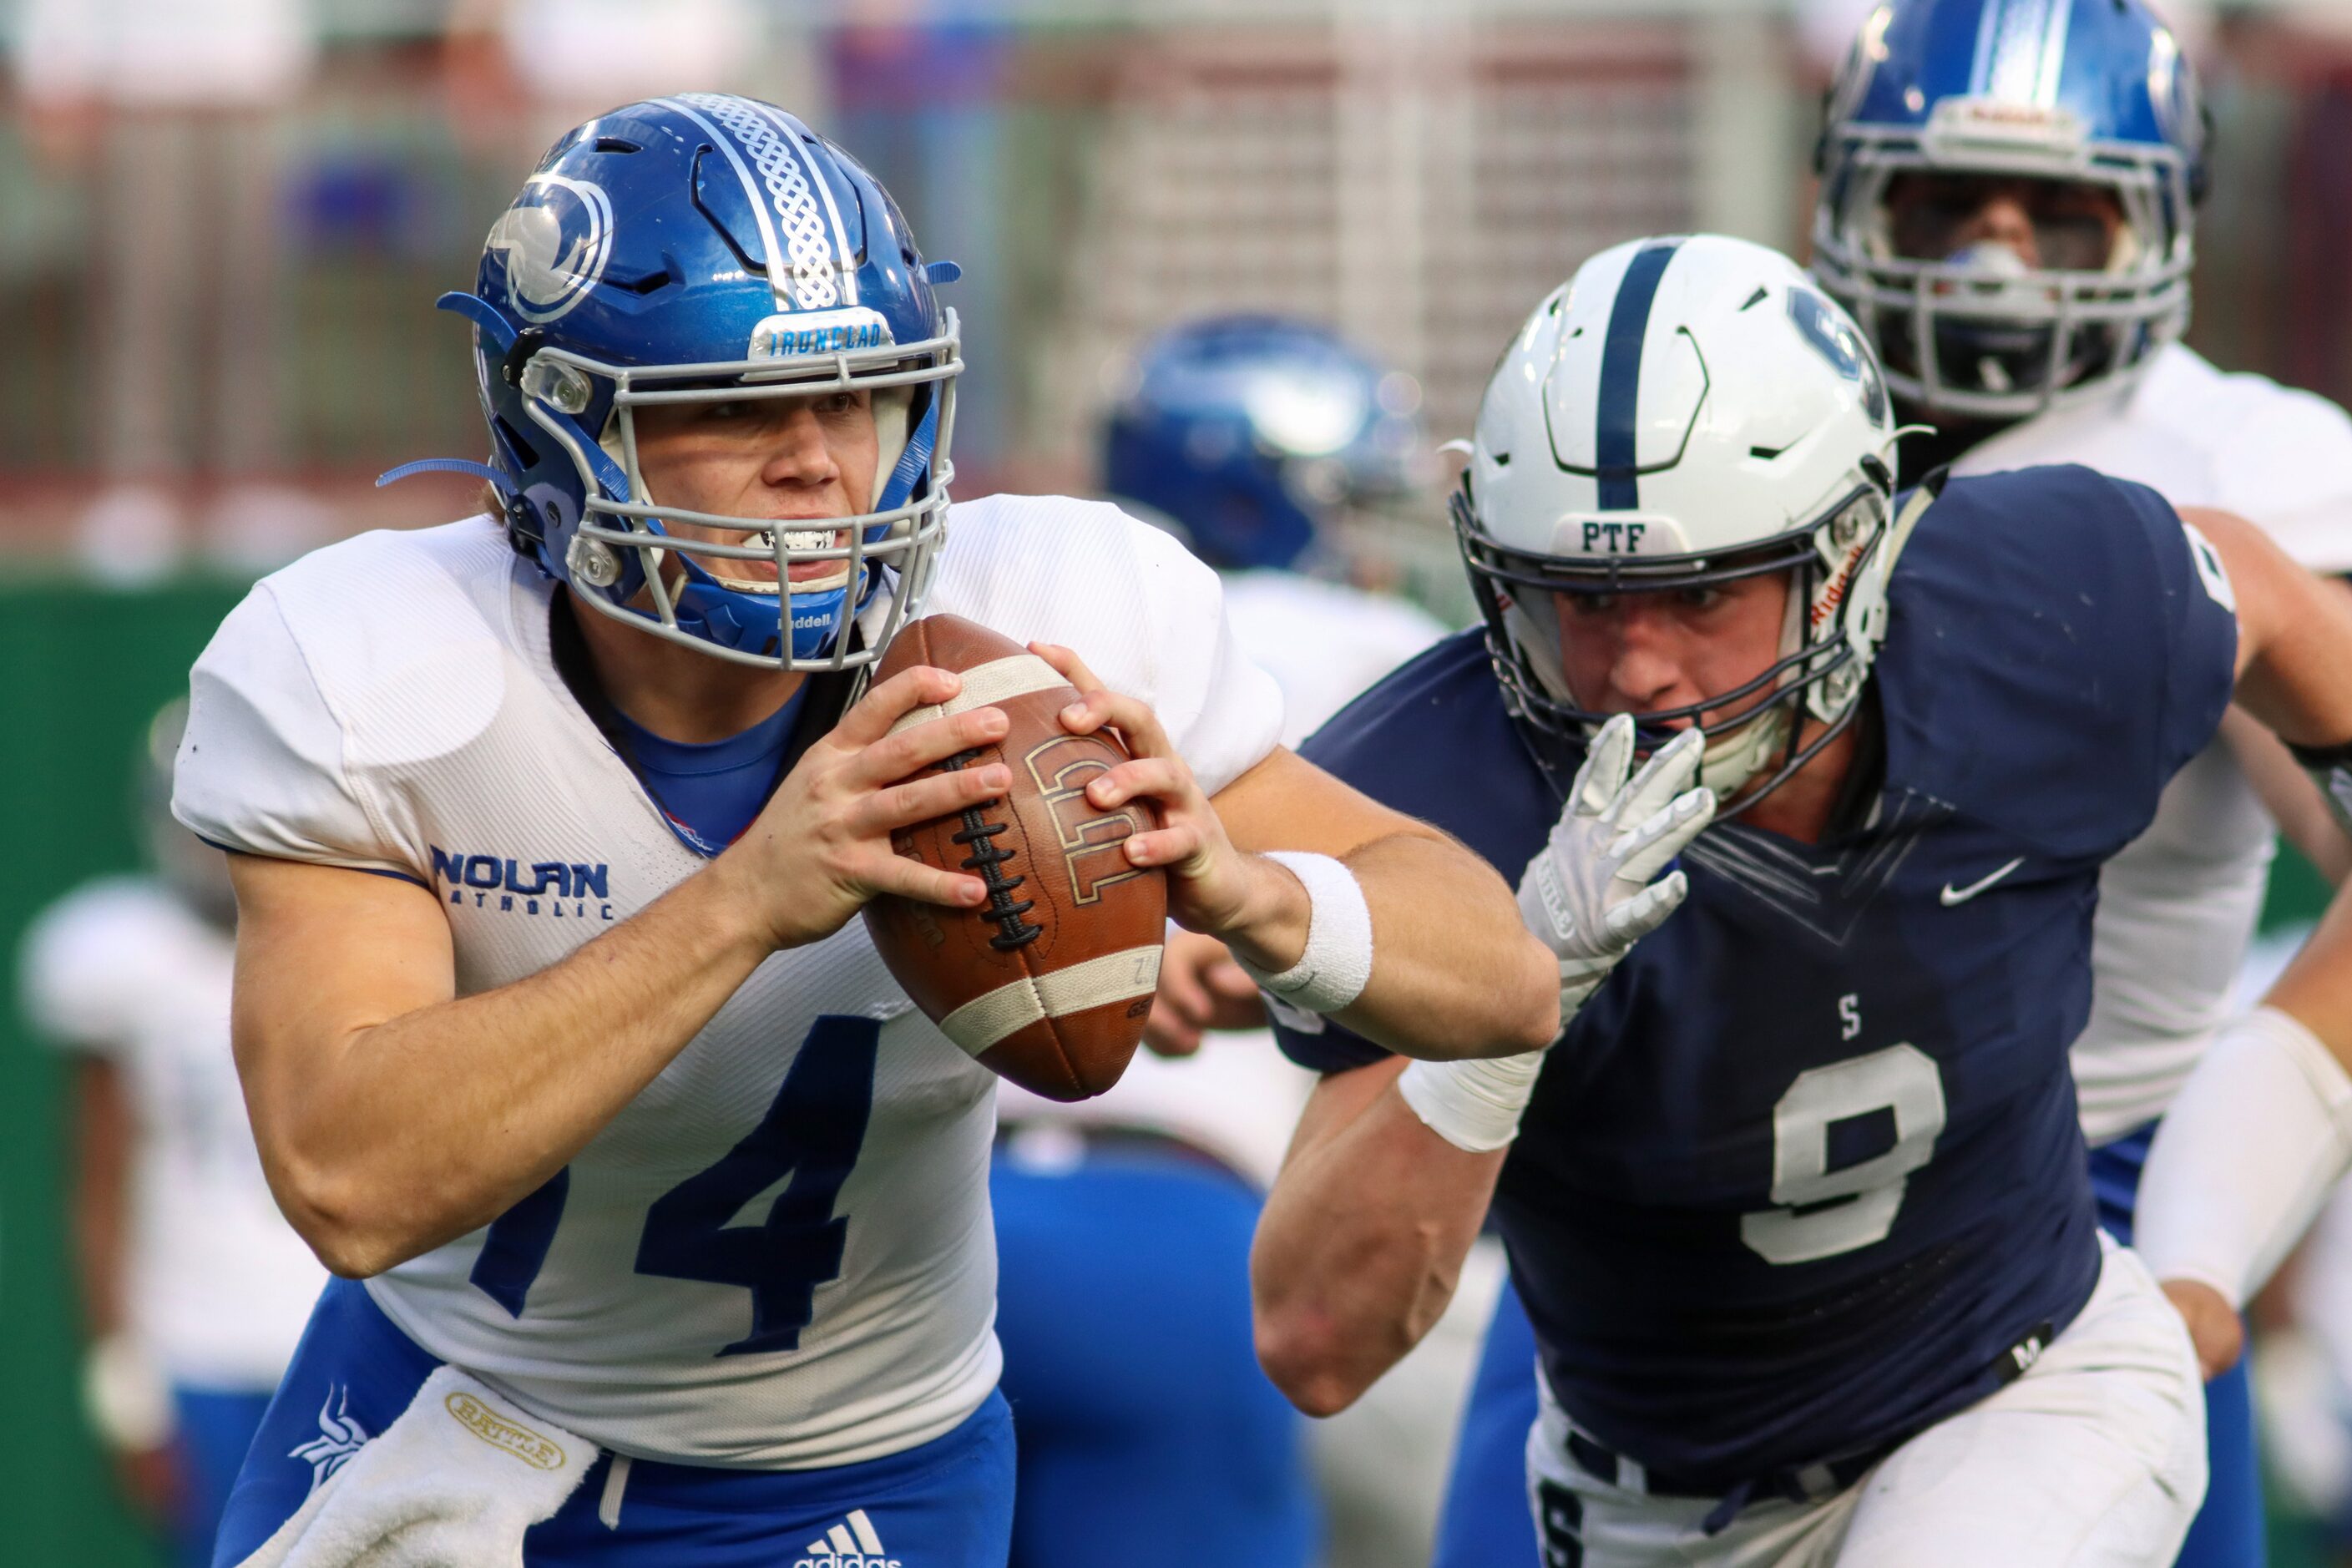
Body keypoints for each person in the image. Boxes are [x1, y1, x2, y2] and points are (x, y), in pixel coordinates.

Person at [175, 94, 1558, 1568]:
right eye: (733, 408)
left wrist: (1253, 890)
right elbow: (348, 1177)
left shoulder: (1050, 627)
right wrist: (744, 900)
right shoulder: (389, 664)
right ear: (559, 423)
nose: (817, 464)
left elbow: (1502, 977)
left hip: (850, 1473)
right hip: (443, 1407)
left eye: (857, 396)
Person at [1252, 231, 2352, 1565]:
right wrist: (1504, 998)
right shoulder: (1428, 798)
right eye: (1575, 596)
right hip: (1651, 1503)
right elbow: (1313, 1339)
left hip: (2027, 1394)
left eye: (1701, 589)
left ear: (1847, 554)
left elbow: (2274, 604)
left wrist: (2231, 1187)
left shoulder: (2050, 603)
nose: (1630, 668)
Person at [984, 316, 1453, 1568]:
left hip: (936, 1237)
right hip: (1187, 1252)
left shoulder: (1032, 653)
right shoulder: (1392, 660)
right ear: (1264, 500)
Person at [15, 703, 327, 1568]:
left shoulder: (356, 942)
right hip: (202, 1349)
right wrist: (122, 1386)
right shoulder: (121, 956)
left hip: (346, 1327)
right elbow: (99, 1184)